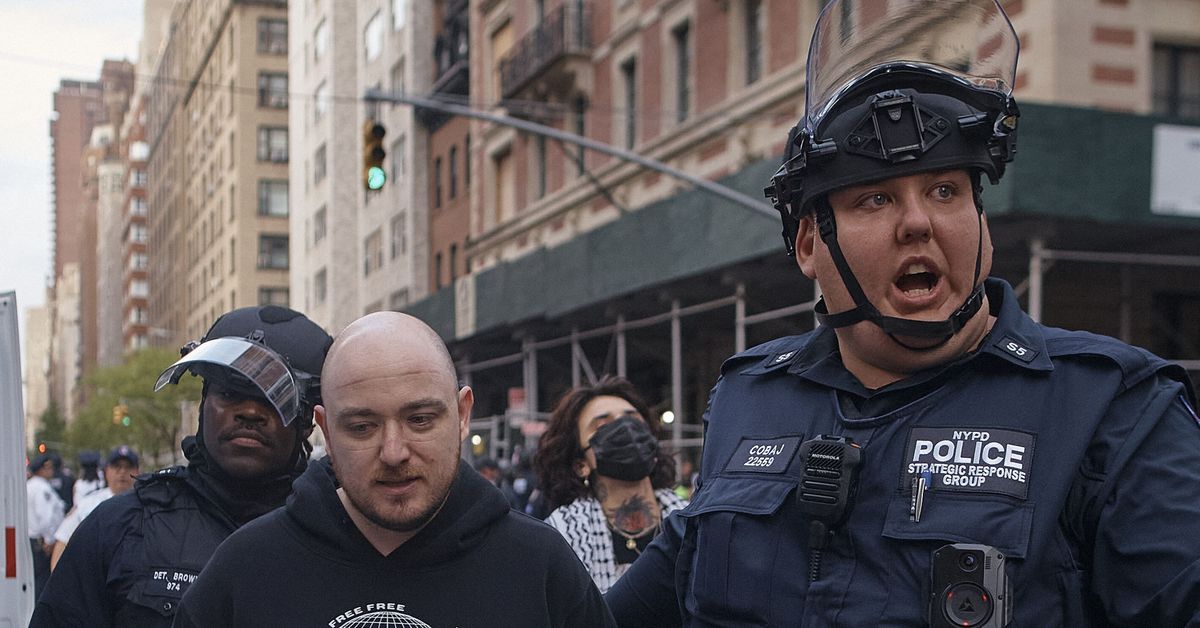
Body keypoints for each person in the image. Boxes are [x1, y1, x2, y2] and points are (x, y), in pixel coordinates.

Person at [606, 1, 1200, 626]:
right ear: (810, 245)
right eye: (876, 198)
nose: (918, 221)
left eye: (945, 191)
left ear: (982, 224)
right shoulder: (748, 394)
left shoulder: (1115, 410)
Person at [172, 312, 616, 627]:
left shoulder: (539, 566)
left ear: (462, 416)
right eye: (362, 427)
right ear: (325, 429)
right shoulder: (245, 569)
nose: (393, 451)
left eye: (420, 420)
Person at [31, 305, 332, 627]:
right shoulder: (118, 526)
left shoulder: (345, 533)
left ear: (308, 422)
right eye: (230, 392)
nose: (249, 412)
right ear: (204, 402)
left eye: (273, 398)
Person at [535, 376, 687, 593]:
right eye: (603, 425)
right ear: (581, 465)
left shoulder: (694, 523)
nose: (625, 428)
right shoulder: (561, 538)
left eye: (633, 418)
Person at [50, 445, 140, 570]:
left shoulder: (147, 504)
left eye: (128, 467)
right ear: (107, 471)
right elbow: (63, 542)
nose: (122, 472)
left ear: (137, 472)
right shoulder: (88, 503)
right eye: (117, 467)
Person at [27, 453, 66, 600]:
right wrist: (49, 540)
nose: (51, 470)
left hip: (32, 540)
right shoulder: (42, 489)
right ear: (40, 469)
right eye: (47, 467)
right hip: (41, 542)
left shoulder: (29, 485)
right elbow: (46, 517)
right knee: (43, 582)